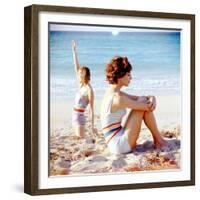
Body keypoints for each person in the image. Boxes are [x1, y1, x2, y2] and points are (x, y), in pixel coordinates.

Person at [100, 56, 167, 154]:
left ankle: (158, 140)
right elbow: (146, 106)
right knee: (143, 103)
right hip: (119, 145)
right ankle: (159, 141)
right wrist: (150, 101)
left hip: (115, 138)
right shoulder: (118, 98)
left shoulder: (113, 92)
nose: (131, 77)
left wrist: (152, 97)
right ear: (120, 75)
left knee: (142, 101)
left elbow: (140, 98)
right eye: (128, 74)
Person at [71, 40, 94, 138]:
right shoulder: (80, 84)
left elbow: (92, 109)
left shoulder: (89, 90)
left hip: (80, 117)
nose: (78, 74)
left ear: (83, 75)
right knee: (78, 138)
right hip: (74, 114)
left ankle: (92, 142)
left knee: (83, 139)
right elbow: (76, 66)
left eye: (80, 74)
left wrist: (92, 125)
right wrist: (74, 51)